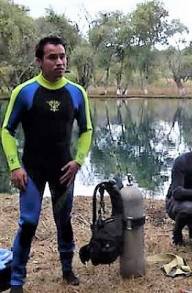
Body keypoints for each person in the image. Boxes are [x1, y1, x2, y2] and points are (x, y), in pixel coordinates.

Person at [1, 36, 93, 292]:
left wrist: (78, 161)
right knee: (28, 222)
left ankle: (67, 268)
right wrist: (14, 165)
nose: (60, 62)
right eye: (52, 57)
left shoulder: (77, 92)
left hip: (64, 170)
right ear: (39, 61)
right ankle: (17, 280)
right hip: (31, 170)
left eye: (62, 56)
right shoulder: (25, 91)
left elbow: (87, 129)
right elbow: (7, 130)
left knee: (64, 220)